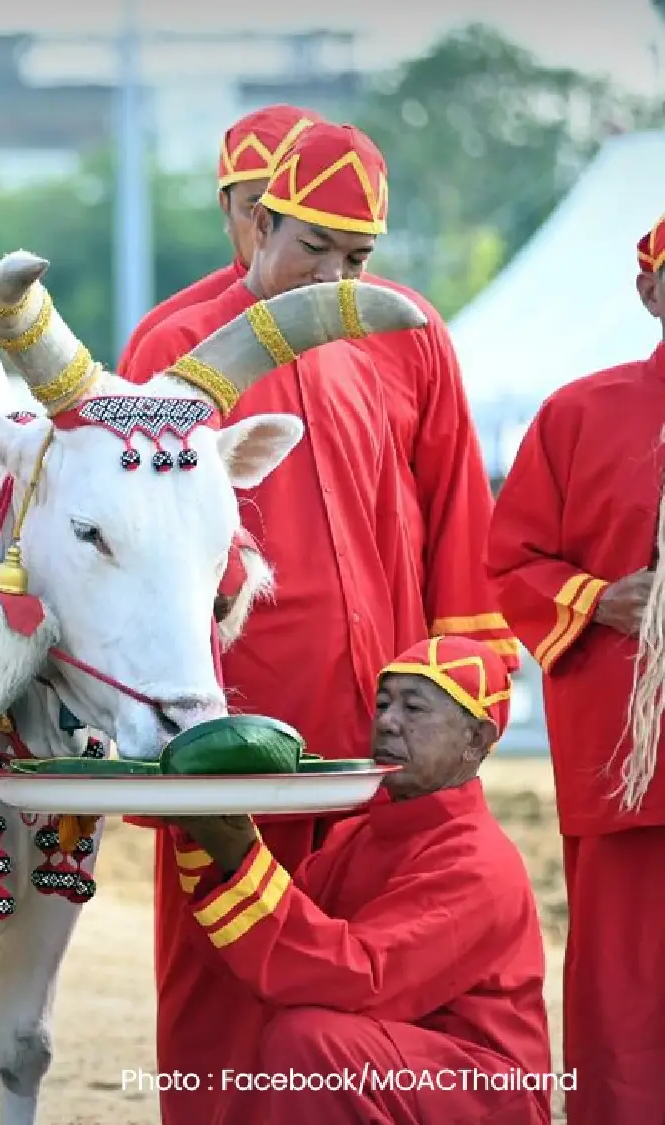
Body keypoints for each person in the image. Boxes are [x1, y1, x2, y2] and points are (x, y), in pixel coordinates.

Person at [119, 119, 516, 1125]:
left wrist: (467, 699)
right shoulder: (174, 345)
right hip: (230, 734)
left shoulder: (404, 330)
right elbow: (141, 546)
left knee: (357, 982)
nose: (335, 276)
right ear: (257, 223)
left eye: (356, 256)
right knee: (215, 981)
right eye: (313, 248)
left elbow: (457, 521)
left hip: (378, 738)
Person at [166, 636, 552, 1124]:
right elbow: (270, 959)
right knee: (267, 1019)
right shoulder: (358, 834)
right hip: (400, 1062)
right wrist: (207, 840)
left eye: (414, 708)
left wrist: (240, 855)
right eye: (383, 704)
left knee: (310, 1043)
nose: (388, 721)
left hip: (483, 1092)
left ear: (476, 738)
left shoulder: (477, 862)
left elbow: (357, 978)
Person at [485, 213, 665, 1124]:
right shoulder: (578, 414)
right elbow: (509, 562)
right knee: (624, 989)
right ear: (649, 292)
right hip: (626, 756)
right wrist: (601, 600)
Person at [115, 103, 324, 370]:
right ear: (225, 205)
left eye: (301, 213)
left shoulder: (377, 317)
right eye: (256, 210)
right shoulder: (172, 339)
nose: (275, 233)